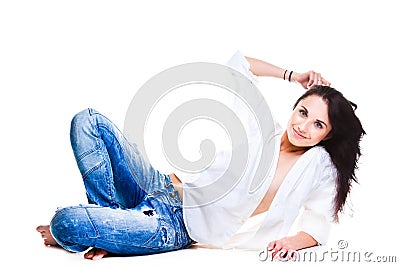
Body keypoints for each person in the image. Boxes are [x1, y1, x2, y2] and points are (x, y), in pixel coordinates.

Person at [37, 51, 365, 261]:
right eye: (303, 112)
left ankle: (108, 225)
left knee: (65, 223)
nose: (304, 126)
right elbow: (239, 65)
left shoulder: (315, 167)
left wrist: (294, 241)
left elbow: (318, 223)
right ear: (294, 107)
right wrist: (294, 76)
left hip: (174, 225)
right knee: (88, 120)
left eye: (318, 124)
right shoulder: (263, 128)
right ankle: (110, 220)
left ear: (328, 134)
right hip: (156, 185)